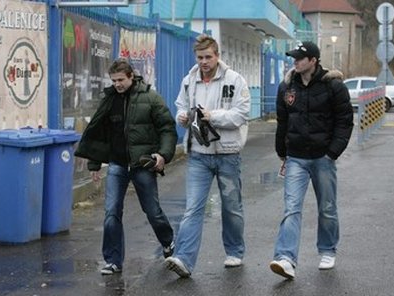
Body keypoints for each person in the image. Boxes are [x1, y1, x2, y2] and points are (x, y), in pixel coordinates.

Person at [74, 58, 177, 275]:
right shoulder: (110, 99)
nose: (117, 84)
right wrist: (94, 163)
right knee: (111, 212)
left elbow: (167, 128)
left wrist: (163, 156)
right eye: (113, 80)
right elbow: (99, 132)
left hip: (142, 165)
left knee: (152, 211)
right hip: (117, 165)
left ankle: (168, 242)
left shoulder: (150, 98)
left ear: (131, 76)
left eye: (121, 80)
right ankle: (113, 260)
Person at [164, 34, 250, 278]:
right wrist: (182, 116)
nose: (203, 61)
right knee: (193, 208)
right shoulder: (189, 80)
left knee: (231, 206)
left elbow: (241, 115)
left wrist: (213, 116)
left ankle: (235, 251)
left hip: (228, 153)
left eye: (208, 57)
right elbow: (181, 105)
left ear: (217, 56)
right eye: (200, 57)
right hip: (198, 154)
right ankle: (183, 259)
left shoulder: (235, 80)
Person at [269, 41, 354, 280]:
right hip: (295, 157)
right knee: (291, 208)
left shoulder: (334, 86)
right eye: (293, 57)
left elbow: (345, 121)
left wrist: (332, 152)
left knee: (327, 207)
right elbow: (282, 121)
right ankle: (285, 258)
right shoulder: (286, 86)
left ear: (313, 60)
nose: (294, 61)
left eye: (299, 57)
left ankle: (327, 250)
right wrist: (282, 153)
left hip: (323, 157)